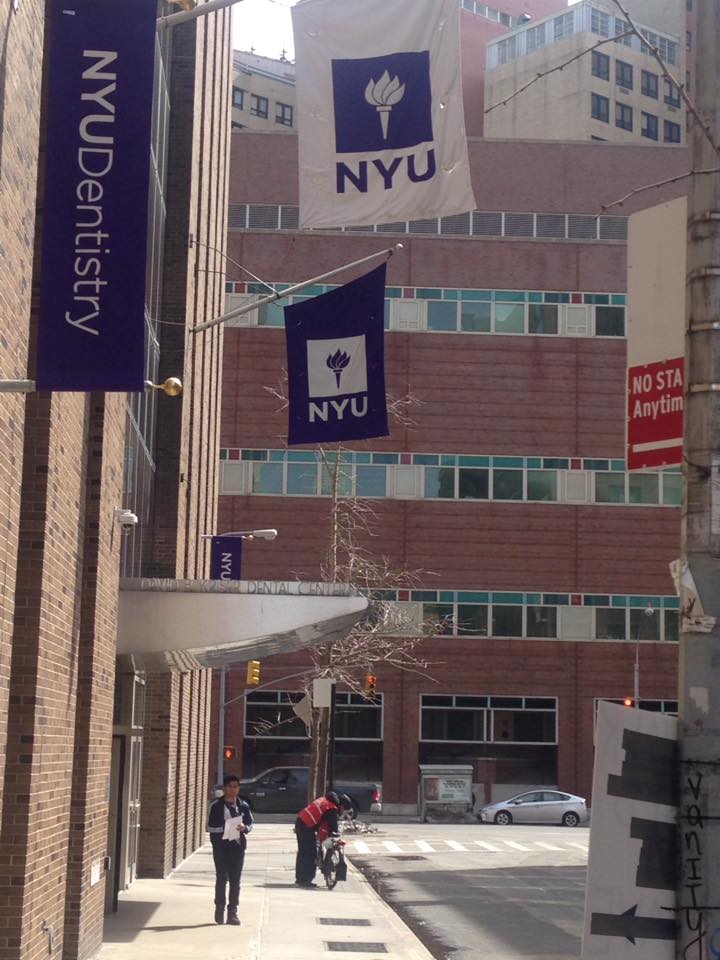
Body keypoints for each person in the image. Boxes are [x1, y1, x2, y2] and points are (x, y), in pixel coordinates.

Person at [207, 773, 254, 925]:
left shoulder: (243, 805)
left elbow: (250, 824)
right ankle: (219, 907)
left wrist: (244, 827)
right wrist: (226, 827)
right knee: (222, 878)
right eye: (230, 787)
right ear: (225, 788)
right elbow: (210, 827)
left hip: (237, 847)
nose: (233, 790)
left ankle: (232, 912)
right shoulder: (216, 806)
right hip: (221, 847)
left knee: (235, 880)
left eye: (235, 787)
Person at [294, 791, 352, 887]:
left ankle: (300, 878)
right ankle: (305, 880)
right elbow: (333, 828)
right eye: (344, 810)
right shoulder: (331, 808)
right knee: (310, 853)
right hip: (306, 826)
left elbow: (322, 822)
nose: (342, 812)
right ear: (341, 806)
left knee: (303, 852)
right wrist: (336, 837)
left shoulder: (325, 801)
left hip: (301, 821)